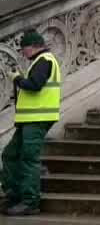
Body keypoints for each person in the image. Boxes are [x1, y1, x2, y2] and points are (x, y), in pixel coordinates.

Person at [2, 31, 61, 216]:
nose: (22, 52)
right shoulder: (40, 61)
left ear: (33, 46)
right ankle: (14, 195)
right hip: (29, 120)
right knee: (10, 154)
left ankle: (30, 201)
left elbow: (35, 85)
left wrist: (17, 79)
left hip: (37, 119)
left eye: (23, 49)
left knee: (28, 159)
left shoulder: (44, 60)